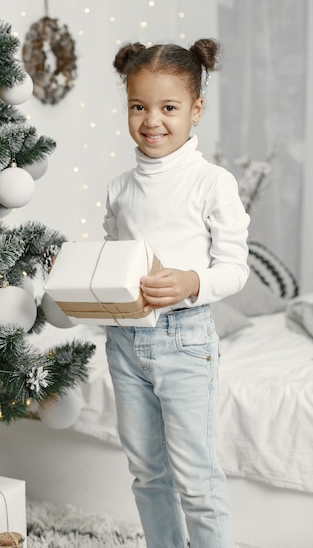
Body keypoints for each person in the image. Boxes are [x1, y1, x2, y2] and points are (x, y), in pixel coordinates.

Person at [103, 38, 250, 548]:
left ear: (196, 109)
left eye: (169, 108)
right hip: (124, 342)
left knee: (197, 480)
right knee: (147, 472)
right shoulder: (120, 188)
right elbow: (113, 257)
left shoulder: (212, 183)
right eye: (138, 106)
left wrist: (191, 282)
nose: (152, 121)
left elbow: (235, 269)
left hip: (184, 341)